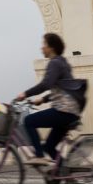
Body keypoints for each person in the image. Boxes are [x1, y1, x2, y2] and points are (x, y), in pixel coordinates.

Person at [15, 32, 81, 166]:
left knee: (28, 121)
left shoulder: (54, 63)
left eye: (44, 44)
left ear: (51, 47)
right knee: (50, 147)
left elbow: (46, 84)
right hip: (71, 112)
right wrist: (43, 100)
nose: (41, 48)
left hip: (63, 111)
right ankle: (65, 176)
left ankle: (38, 156)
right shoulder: (63, 63)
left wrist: (25, 94)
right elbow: (62, 89)